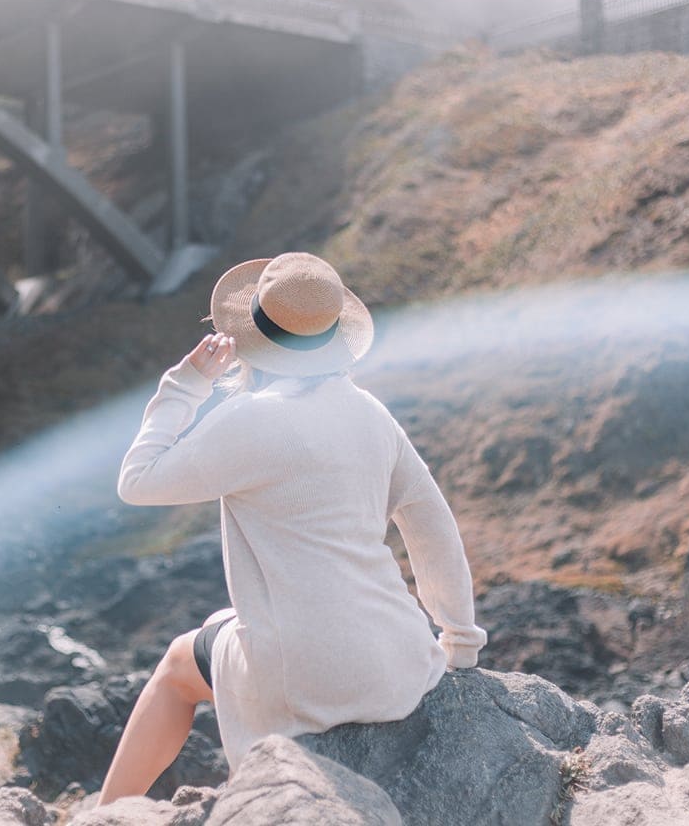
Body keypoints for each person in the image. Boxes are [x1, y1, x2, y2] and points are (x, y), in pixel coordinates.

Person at [96, 252, 488, 806]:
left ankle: (108, 814)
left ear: (250, 336)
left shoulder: (250, 419)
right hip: (403, 664)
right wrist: (461, 644)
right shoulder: (371, 413)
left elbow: (137, 480)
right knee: (222, 624)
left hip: (308, 679)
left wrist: (185, 386)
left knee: (180, 666)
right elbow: (433, 534)